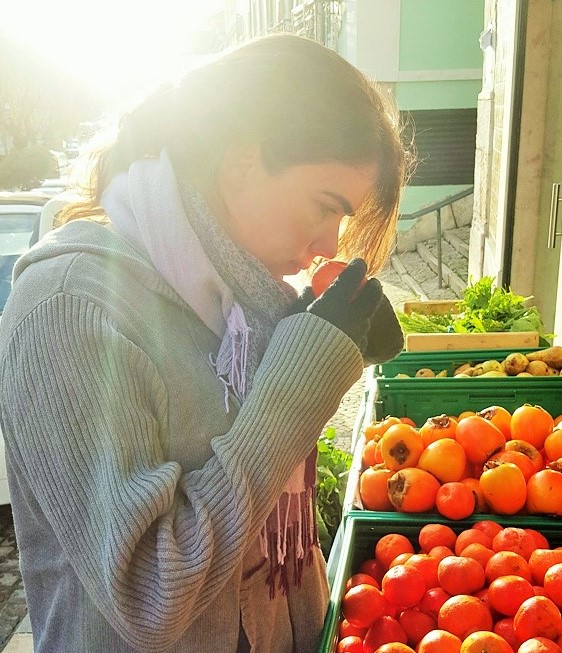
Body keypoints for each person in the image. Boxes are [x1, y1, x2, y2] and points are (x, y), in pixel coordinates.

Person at [0, 34, 408, 653]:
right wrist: (297, 389)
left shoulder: (236, 306)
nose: (330, 244)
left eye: (342, 222)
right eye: (326, 207)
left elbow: (273, 552)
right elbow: (149, 594)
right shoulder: (71, 305)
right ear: (242, 159)